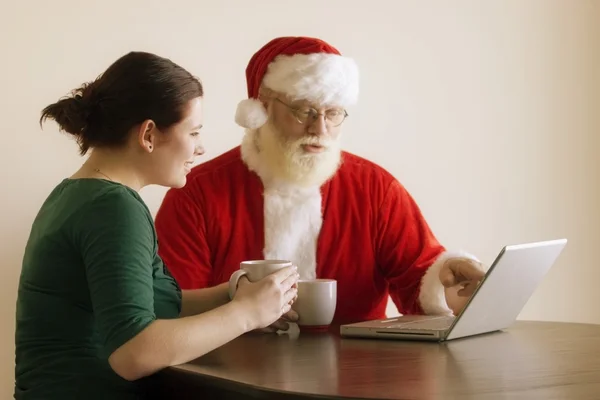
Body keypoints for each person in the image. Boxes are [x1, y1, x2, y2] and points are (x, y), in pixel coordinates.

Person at [14, 51, 299, 400]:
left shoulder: (75, 194)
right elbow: (134, 353)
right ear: (148, 133)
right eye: (193, 132)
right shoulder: (114, 208)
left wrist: (232, 293)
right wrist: (246, 313)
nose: (200, 148)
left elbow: (140, 303)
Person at [154, 36, 485, 331]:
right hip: (232, 379)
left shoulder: (375, 189)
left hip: (357, 379)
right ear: (263, 106)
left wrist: (449, 281)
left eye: (334, 113)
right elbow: (173, 306)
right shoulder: (198, 192)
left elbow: (418, 278)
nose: (320, 128)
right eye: (304, 111)